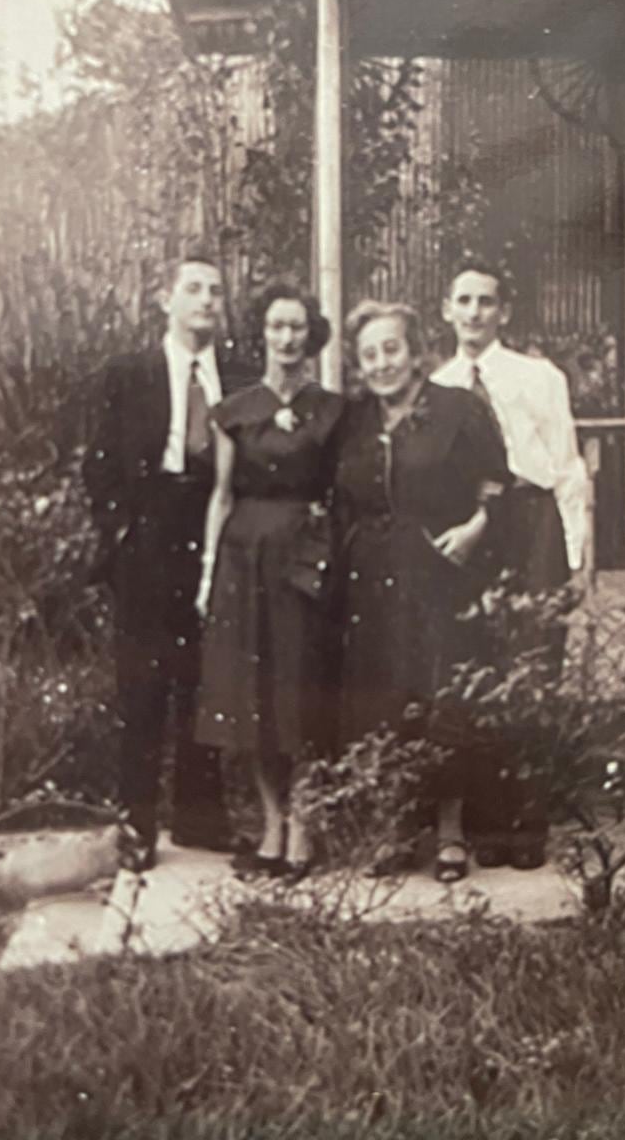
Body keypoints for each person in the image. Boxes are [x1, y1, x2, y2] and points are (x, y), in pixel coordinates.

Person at [82, 244, 253, 873]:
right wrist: (121, 533)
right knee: (143, 685)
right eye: (194, 289)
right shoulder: (127, 374)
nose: (207, 300)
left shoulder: (239, 377)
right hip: (149, 537)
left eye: (215, 290)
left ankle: (201, 817)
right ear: (166, 299)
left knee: (206, 680)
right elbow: (96, 465)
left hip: (215, 530)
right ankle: (137, 824)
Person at [334, 299, 510, 883]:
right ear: (358, 364)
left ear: (415, 353)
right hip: (373, 580)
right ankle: (392, 826)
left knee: (446, 699)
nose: (382, 363)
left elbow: (499, 489)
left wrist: (476, 531)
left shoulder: (458, 410)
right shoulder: (354, 421)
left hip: (440, 572)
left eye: (392, 349)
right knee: (381, 700)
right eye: (369, 354)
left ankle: (450, 830)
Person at [432, 263, 587, 868]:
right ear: (447, 309)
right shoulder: (440, 386)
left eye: (486, 302)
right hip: (477, 528)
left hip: (532, 519)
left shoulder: (538, 377)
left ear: (504, 312)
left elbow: (569, 467)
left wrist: (573, 556)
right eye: (464, 301)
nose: (474, 313)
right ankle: (486, 820)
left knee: (534, 661)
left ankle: (527, 824)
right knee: (482, 663)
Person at [194, 284, 343, 880]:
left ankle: (304, 824)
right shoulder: (234, 409)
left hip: (304, 554)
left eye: (297, 328)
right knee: (252, 694)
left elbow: (339, 490)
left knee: (299, 688)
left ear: (311, 336)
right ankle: (272, 821)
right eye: (277, 327)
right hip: (245, 556)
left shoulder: (334, 410)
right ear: (263, 333)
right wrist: (208, 571)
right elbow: (222, 494)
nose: (287, 338)